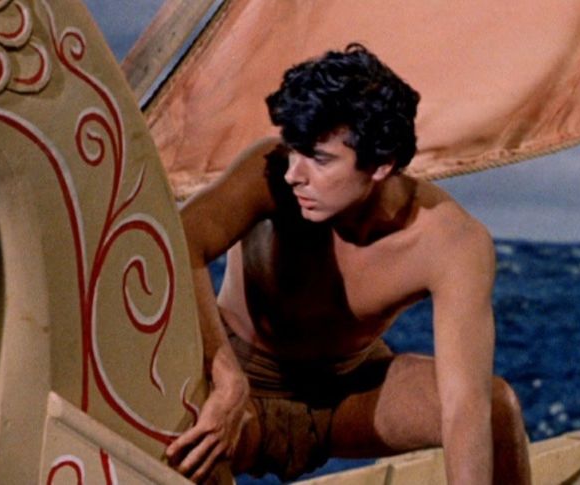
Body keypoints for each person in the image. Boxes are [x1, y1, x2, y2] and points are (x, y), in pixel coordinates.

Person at [166, 44, 531, 484]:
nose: (294, 173)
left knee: (495, 408)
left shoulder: (452, 242)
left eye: (319, 159)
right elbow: (178, 240)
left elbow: (462, 411)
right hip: (238, 381)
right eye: (294, 149)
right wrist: (226, 377)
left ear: (381, 164)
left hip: (346, 394)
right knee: (185, 454)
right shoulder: (268, 174)